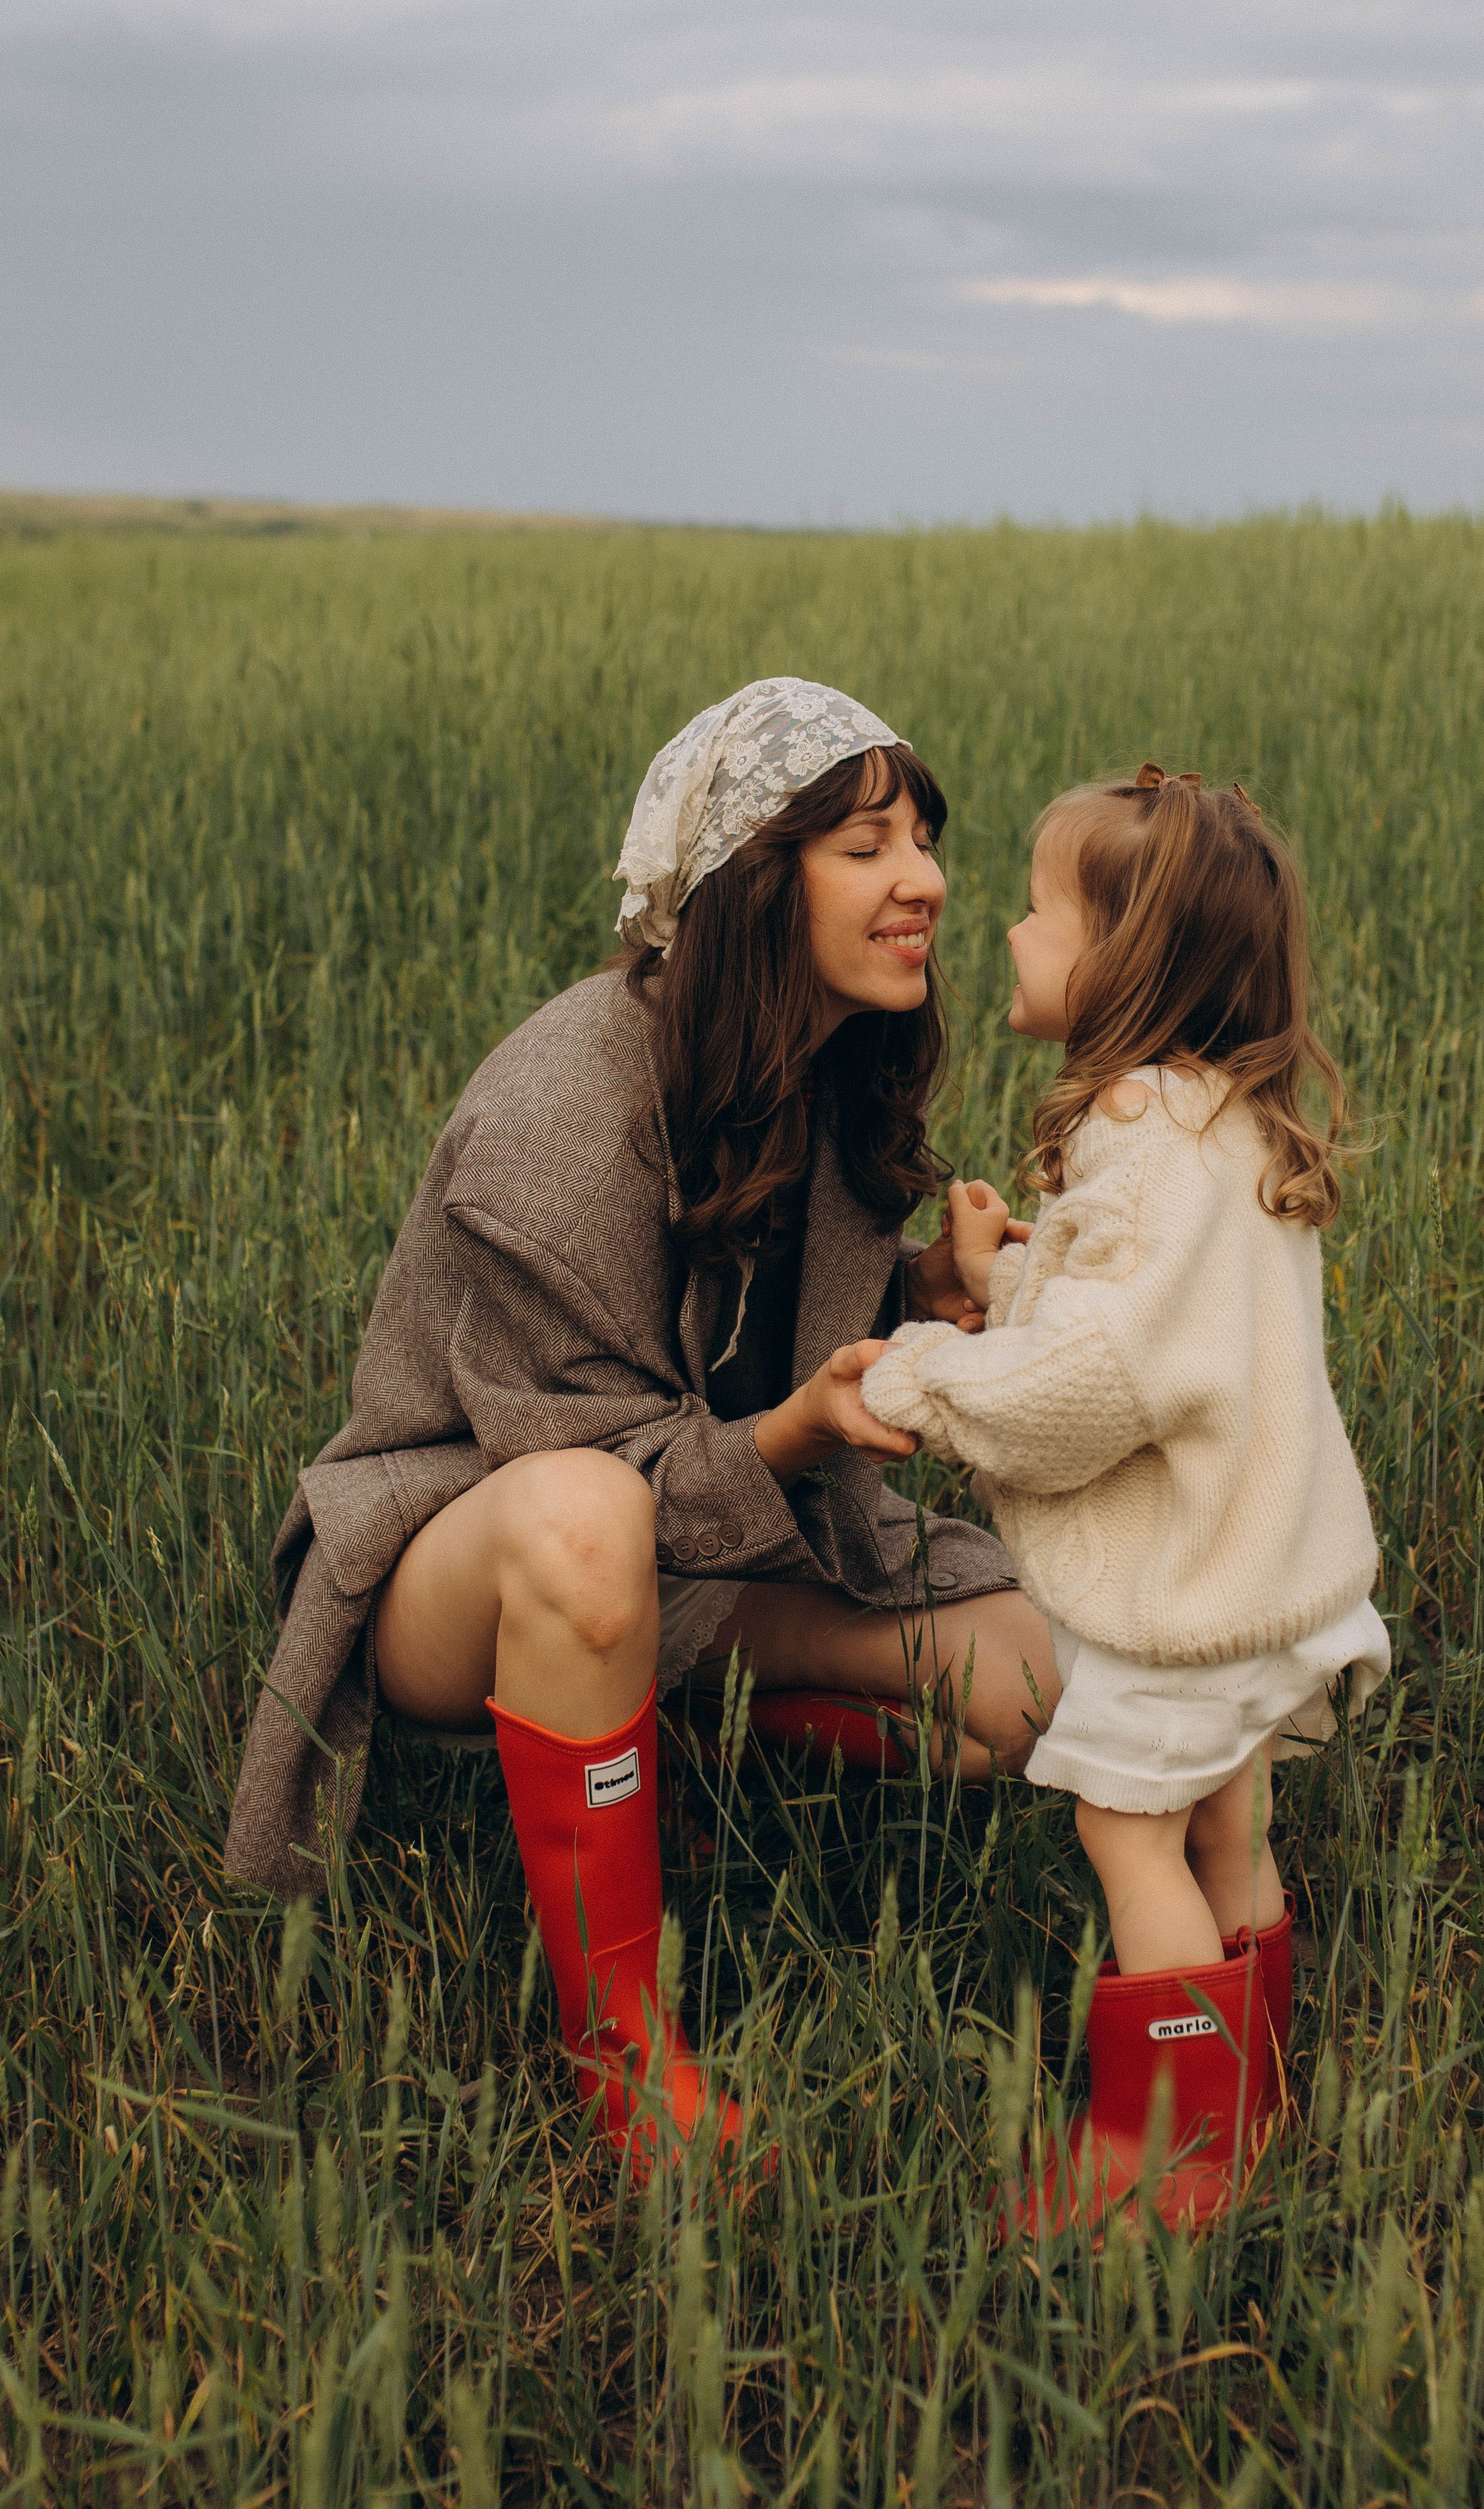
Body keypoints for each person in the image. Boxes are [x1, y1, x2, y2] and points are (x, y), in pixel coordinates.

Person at [225, 677, 1059, 2157]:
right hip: (461, 1549)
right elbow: (588, 1449)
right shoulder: (562, 1112)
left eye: (922, 839)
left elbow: (754, 1344)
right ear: (751, 879)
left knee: (1027, 1684)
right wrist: (798, 1439)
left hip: (703, 1550)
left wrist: (923, 1291)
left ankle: (669, 1740)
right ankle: (616, 2038)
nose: (923, 879)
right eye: (865, 847)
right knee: (583, 1518)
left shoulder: (830, 1060)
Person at [858, 764, 1387, 2222]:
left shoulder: (1139, 1144)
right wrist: (1004, 1276)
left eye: (1038, 913)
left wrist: (918, 1376)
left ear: (1118, 964)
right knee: (1228, 1825)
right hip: (1263, 1576)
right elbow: (1160, 1335)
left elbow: (1093, 1388)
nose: (1008, 934)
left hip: (1180, 1602)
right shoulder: (1217, 1122)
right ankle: (1254, 2086)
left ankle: (1166, 2148)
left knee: (1124, 1834)